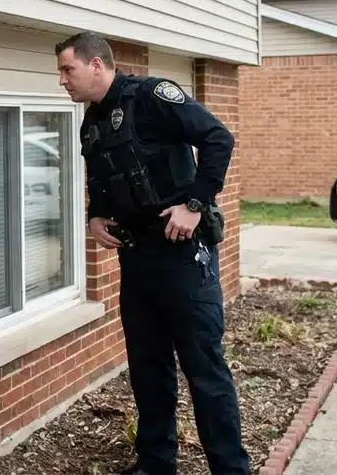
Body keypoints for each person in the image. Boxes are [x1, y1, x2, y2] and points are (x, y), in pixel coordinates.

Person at [55, 31, 249, 475]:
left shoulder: (152, 96)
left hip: (182, 254)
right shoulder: (93, 121)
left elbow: (219, 138)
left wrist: (196, 205)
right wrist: (95, 216)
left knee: (204, 370)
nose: (63, 81)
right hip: (137, 258)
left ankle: (231, 469)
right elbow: (105, 180)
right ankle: (156, 463)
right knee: (148, 367)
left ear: (97, 66)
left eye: (68, 70)